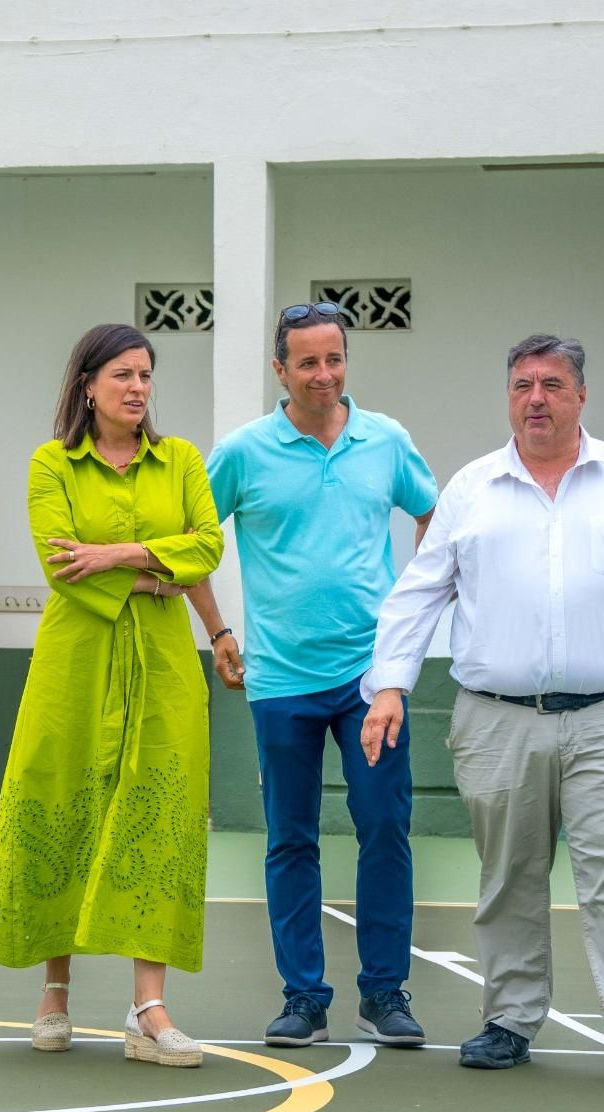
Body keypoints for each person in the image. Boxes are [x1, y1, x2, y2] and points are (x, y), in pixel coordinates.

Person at [361, 334, 604, 1088]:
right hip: (497, 718)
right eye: (523, 385)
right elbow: (419, 592)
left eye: (553, 385)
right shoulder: (471, 488)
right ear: (509, 396)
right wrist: (390, 684)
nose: (536, 399)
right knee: (508, 875)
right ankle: (508, 1019)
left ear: (581, 395)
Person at [185, 301, 437, 1049]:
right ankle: (303, 997)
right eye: (307, 363)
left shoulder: (385, 440)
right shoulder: (242, 452)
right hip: (280, 681)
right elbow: (192, 542)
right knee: (290, 840)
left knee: (384, 828)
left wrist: (409, 613)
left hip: (371, 681)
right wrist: (219, 632)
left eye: (335, 359)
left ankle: (385, 994)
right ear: (280, 370)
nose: (324, 375)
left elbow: (433, 518)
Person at [0, 322, 224, 1069]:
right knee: (64, 801)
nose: (138, 388)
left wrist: (119, 553)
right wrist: (159, 576)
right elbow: (62, 567)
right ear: (87, 385)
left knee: (160, 816)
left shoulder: (181, 460)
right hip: (74, 665)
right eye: (122, 375)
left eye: (145, 374)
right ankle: (54, 991)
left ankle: (148, 1009)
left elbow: (208, 546)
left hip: (165, 665)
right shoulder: (52, 464)